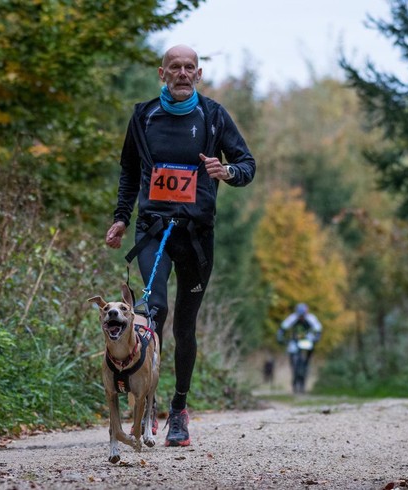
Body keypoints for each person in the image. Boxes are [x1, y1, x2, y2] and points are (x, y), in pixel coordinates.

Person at [104, 44, 256, 447]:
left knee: (185, 327)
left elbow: (247, 165)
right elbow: (129, 172)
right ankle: (145, 399)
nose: (183, 73)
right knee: (153, 311)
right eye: (176, 67)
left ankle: (180, 409)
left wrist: (227, 171)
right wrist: (121, 218)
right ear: (162, 73)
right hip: (153, 229)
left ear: (199, 74)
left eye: (190, 67)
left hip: (196, 235)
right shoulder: (143, 116)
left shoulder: (213, 116)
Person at [277, 303, 322, 393]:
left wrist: (316, 338)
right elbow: (283, 328)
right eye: (300, 315)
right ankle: (295, 378)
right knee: (293, 359)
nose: (301, 317)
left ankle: (304, 377)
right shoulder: (292, 318)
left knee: (306, 361)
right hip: (295, 340)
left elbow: (318, 329)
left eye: (303, 315)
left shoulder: (311, 318)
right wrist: (280, 337)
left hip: (307, 341)